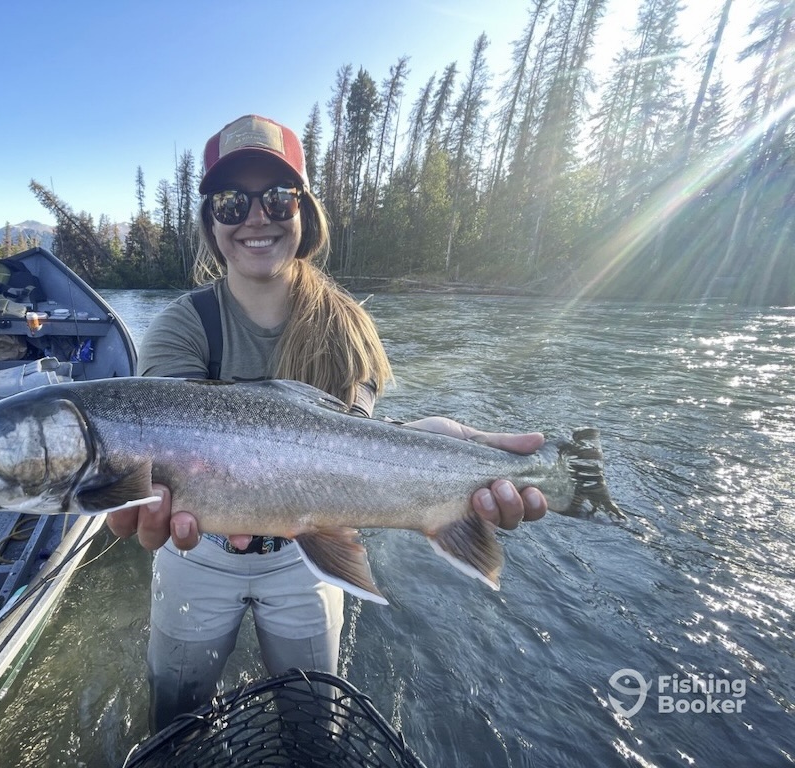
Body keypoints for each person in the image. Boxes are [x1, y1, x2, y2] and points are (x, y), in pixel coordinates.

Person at [107, 114, 548, 733]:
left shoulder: (347, 326)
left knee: (312, 717)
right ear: (211, 225)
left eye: (277, 199)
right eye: (231, 203)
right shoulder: (180, 327)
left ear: (304, 214)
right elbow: (170, 454)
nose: (255, 217)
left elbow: (354, 454)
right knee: (176, 714)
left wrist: (440, 466)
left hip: (306, 561)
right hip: (199, 553)